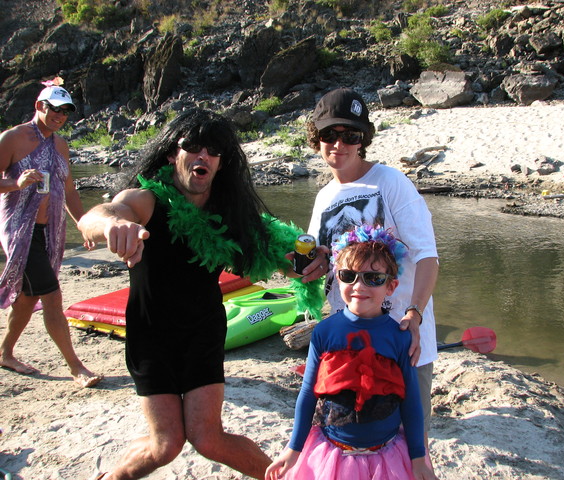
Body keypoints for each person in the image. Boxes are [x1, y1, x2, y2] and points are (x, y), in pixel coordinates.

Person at [78, 108, 323, 480]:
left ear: (221, 163)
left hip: (203, 333)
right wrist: (114, 225)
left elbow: (279, 258)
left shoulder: (230, 214)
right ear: (171, 154)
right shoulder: (147, 200)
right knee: (165, 446)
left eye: (214, 150)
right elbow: (98, 215)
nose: (203, 155)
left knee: (208, 439)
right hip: (151, 336)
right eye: (193, 146)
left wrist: (311, 264)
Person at [299, 87, 440, 478]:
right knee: (351, 450)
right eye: (329, 134)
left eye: (351, 135)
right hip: (347, 347)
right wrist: (306, 270)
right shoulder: (324, 197)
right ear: (316, 138)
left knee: (410, 451)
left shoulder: (390, 182)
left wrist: (415, 314)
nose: (339, 143)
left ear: (364, 139)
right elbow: (326, 265)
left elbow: (428, 256)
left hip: (403, 341)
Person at [267, 225, 433, 479]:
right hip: (333, 453)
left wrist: (418, 458)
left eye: (373, 278)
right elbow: (308, 393)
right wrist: (293, 448)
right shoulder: (324, 332)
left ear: (391, 286)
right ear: (336, 277)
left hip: (386, 454)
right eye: (348, 275)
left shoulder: (400, 337)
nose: (359, 286)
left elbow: (411, 401)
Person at [0, 82, 102, 388]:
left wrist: (83, 224)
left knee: (29, 296)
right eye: (54, 108)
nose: (59, 115)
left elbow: (69, 190)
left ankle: (4, 353)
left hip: (50, 230)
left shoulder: (61, 146)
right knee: (52, 295)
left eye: (65, 111)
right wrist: (16, 183)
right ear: (39, 106)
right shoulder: (12, 138)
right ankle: (76, 367)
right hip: (20, 229)